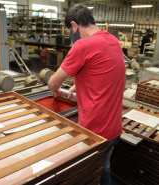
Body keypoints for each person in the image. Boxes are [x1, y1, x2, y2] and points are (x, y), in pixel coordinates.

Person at [48, 4, 125, 185]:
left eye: (69, 32)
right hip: (114, 129)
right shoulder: (112, 39)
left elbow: (53, 82)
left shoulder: (83, 45)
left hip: (94, 132)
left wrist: (56, 90)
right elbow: (104, 70)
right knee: (104, 168)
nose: (71, 37)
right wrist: (79, 83)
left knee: (86, 176)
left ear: (75, 25)